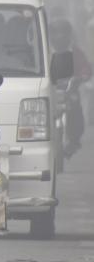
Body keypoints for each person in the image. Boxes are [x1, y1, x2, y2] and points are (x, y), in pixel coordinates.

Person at [48, 18, 92, 157]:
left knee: (76, 111)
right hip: (50, 89)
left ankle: (74, 140)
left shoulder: (76, 52)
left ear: (68, 34)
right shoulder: (45, 50)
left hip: (70, 89)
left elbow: (85, 67)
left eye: (63, 33)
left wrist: (83, 76)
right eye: (55, 33)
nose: (59, 36)